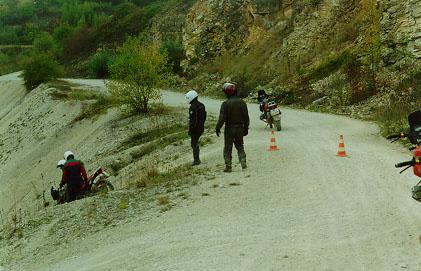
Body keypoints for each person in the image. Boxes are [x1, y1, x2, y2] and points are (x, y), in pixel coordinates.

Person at [215, 83, 250, 172]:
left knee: (227, 148)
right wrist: (245, 129)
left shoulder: (225, 104)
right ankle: (243, 163)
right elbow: (246, 117)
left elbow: (222, 118)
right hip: (240, 128)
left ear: (227, 93)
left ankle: (228, 166)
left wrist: (217, 128)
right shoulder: (242, 102)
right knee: (240, 146)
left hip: (229, 128)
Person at [185, 90, 207, 166]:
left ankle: (196, 160)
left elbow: (193, 121)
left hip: (195, 129)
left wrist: (190, 130)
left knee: (194, 143)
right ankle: (197, 159)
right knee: (195, 143)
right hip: (201, 127)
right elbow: (204, 117)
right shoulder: (202, 105)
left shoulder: (192, 107)